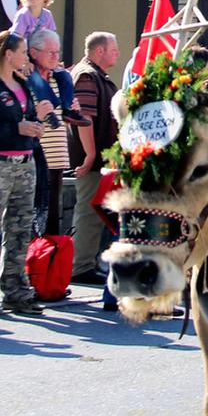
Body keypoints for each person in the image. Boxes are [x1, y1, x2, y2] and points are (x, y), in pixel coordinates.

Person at [0, 31, 52, 315]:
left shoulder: (23, 84)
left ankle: (16, 290)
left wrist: (35, 124)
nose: (26, 56)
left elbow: (25, 120)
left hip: (24, 162)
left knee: (19, 229)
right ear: (8, 54)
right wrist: (16, 128)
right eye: (23, 51)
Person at [69, 32, 120, 285]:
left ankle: (86, 262)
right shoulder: (87, 77)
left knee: (95, 211)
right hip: (89, 160)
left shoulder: (96, 76)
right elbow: (84, 118)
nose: (117, 54)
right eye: (113, 49)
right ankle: (80, 266)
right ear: (99, 51)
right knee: (88, 210)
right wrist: (89, 154)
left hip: (99, 158)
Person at [12, 0, 90, 129]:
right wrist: (25, 61)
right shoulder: (23, 15)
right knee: (37, 80)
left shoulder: (47, 15)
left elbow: (52, 37)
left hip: (43, 54)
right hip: (26, 56)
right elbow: (16, 39)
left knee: (65, 76)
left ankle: (68, 108)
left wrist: (54, 59)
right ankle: (49, 111)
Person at [29, 29, 77, 235]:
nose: (56, 58)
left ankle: (48, 264)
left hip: (57, 159)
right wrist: (37, 116)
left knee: (52, 221)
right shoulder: (27, 81)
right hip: (36, 160)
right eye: (51, 53)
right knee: (34, 219)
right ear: (33, 52)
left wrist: (72, 110)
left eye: (57, 53)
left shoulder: (58, 79)